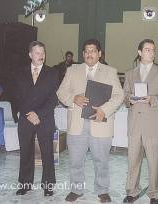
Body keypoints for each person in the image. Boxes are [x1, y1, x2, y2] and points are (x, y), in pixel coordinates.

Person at [57, 39, 124, 203]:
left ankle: (102, 190)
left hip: (100, 122)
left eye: (93, 50)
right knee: (75, 160)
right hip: (77, 124)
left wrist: (104, 110)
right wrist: (74, 98)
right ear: (83, 54)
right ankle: (76, 189)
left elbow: (119, 95)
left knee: (102, 161)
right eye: (86, 51)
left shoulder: (110, 71)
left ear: (99, 54)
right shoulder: (72, 70)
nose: (90, 54)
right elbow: (60, 92)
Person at [123, 39, 158, 204]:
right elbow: (124, 96)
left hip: (153, 124)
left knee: (154, 162)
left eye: (153, 50)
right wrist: (129, 99)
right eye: (147, 50)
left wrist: (152, 99)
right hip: (135, 124)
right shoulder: (130, 73)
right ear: (139, 52)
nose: (151, 53)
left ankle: (154, 194)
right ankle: (132, 191)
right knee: (133, 160)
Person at [15, 41, 58, 196]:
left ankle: (48, 185)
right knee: (26, 151)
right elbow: (17, 97)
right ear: (30, 55)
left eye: (43, 52)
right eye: (38, 53)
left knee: (47, 153)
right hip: (26, 118)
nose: (41, 56)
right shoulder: (20, 72)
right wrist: (29, 113)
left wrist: (38, 114)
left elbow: (53, 99)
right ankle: (25, 184)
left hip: (44, 118)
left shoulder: (52, 72)